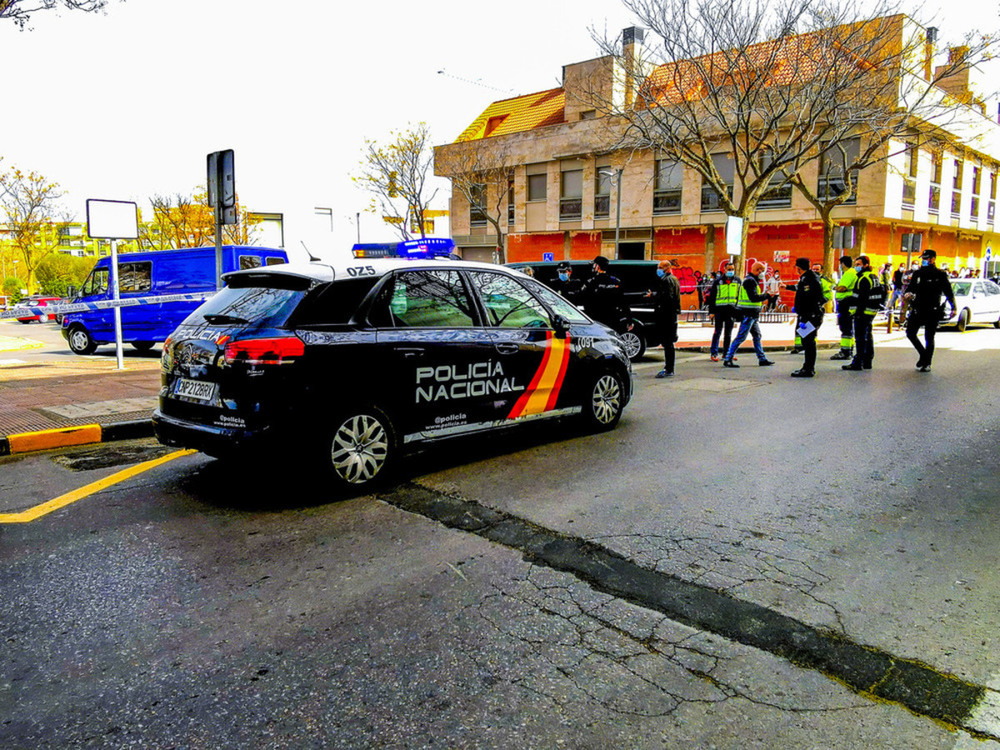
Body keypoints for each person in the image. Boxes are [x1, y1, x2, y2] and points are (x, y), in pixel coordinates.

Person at [904, 249, 957, 372]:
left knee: (929, 336)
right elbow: (911, 287)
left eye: (926, 258)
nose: (924, 261)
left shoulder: (940, 274)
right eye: (922, 258)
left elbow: (948, 291)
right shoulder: (917, 273)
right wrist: (908, 294)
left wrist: (954, 306)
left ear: (933, 259)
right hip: (917, 308)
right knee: (910, 333)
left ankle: (927, 363)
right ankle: (924, 355)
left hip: (933, 309)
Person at [723, 262, 775, 368]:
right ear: (758, 270)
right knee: (741, 337)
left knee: (757, 335)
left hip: (751, 314)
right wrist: (767, 295)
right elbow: (754, 297)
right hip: (748, 314)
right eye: (762, 270)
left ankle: (762, 359)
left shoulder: (751, 280)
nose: (763, 273)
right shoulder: (750, 281)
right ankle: (728, 358)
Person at [784, 257, 826, 377]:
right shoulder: (808, 277)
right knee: (806, 339)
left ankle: (808, 369)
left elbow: (809, 297)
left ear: (798, 267)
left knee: (808, 341)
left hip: (810, 315)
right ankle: (807, 367)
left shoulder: (808, 279)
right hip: (809, 314)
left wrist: (802, 311)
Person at [842, 255, 884, 371]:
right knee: (868, 336)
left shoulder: (863, 278)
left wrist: (857, 313)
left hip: (863, 312)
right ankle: (867, 361)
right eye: (856, 265)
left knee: (860, 338)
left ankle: (858, 362)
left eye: (858, 265)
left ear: (866, 265)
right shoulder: (873, 276)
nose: (856, 267)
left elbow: (862, 298)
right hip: (871, 312)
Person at [647, 260, 681, 378]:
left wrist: (655, 296)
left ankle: (669, 368)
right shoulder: (674, 279)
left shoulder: (666, 280)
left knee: (667, 343)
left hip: (666, 315)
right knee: (668, 342)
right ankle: (669, 367)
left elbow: (667, 297)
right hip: (671, 314)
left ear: (667, 268)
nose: (658, 269)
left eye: (660, 267)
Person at [789, 261, 831, 355]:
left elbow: (816, 296)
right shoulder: (805, 278)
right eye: (814, 269)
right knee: (804, 335)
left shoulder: (815, 280)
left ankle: (809, 368)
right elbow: (800, 291)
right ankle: (800, 349)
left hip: (811, 313)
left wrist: (819, 304)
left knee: (809, 339)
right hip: (806, 312)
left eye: (817, 269)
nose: (815, 271)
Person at [583, 255, 628, 333]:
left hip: (596, 319)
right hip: (613, 318)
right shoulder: (615, 281)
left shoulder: (591, 282)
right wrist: (628, 317)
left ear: (598, 266)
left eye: (594, 265)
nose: (593, 267)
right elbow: (623, 301)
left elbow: (584, 300)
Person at [707, 261, 740, 362]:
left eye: (732, 269)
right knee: (718, 332)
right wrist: (711, 312)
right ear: (724, 270)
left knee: (728, 334)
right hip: (719, 310)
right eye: (729, 269)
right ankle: (714, 353)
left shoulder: (737, 281)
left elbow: (739, 296)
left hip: (731, 310)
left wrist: (739, 310)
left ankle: (726, 354)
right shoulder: (718, 282)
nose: (730, 271)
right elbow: (712, 297)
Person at [831, 255, 858, 360]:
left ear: (843, 264)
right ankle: (849, 350)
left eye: (840, 264)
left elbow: (842, 288)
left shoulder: (849, 273)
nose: (840, 266)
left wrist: (834, 287)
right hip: (849, 303)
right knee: (848, 327)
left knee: (845, 327)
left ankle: (845, 352)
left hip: (845, 303)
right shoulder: (852, 273)